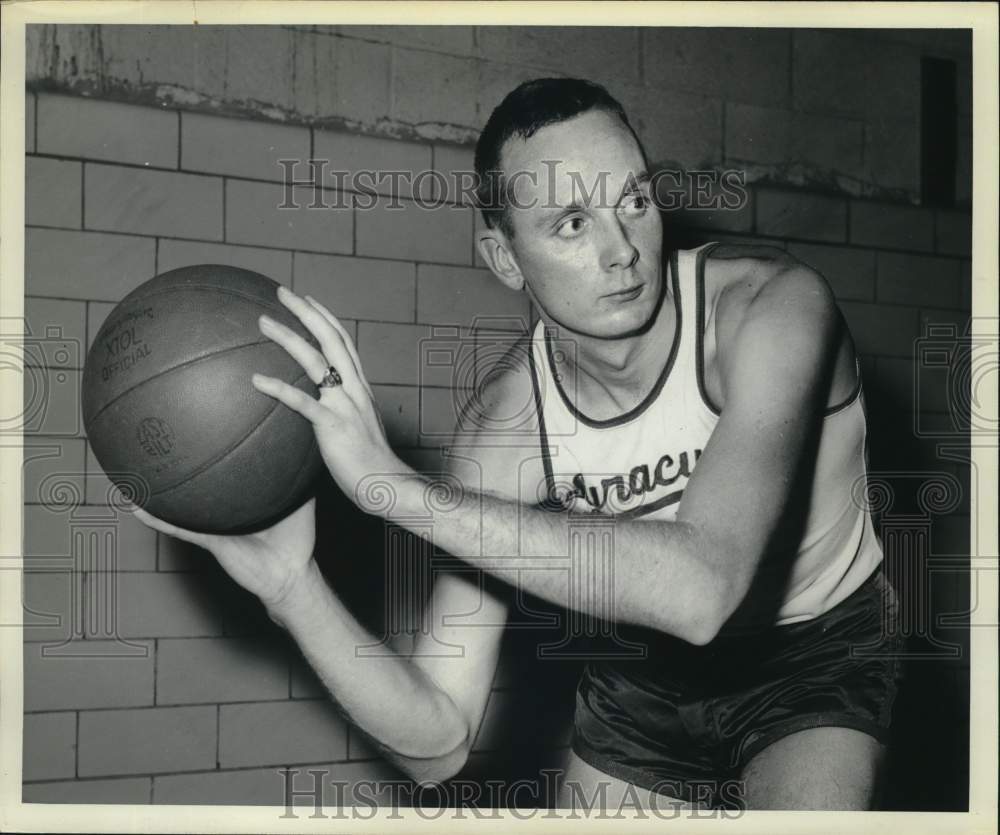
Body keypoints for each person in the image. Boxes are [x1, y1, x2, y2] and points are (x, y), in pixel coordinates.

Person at [133, 78, 902, 811]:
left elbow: (702, 589)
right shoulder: (508, 424)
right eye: (571, 222)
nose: (622, 249)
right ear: (505, 259)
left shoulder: (772, 309)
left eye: (633, 199)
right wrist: (295, 593)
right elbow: (437, 741)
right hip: (644, 676)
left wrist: (391, 486)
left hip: (814, 654)